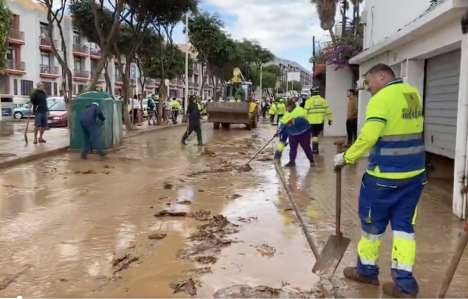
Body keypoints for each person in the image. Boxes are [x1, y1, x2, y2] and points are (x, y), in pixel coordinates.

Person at [333, 63, 425, 298]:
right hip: (414, 176)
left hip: (384, 176)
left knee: (372, 226)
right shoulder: (412, 94)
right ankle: (405, 285)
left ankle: (367, 271)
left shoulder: (382, 99)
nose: (368, 86)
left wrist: (346, 157)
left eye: (369, 81)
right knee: (404, 229)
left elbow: (368, 136)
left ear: (382, 76)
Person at [274, 99, 315, 167]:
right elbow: (283, 122)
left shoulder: (299, 110)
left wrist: (289, 122)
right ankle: (292, 161)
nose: (287, 107)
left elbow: (300, 119)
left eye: (288, 106)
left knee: (306, 147)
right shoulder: (287, 113)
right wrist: (278, 131)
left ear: (292, 105)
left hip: (304, 132)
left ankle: (311, 160)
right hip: (293, 133)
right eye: (286, 106)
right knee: (293, 148)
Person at [304, 86, 333, 154]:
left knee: (314, 135)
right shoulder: (323, 101)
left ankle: (315, 148)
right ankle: (316, 147)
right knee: (317, 134)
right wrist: (330, 119)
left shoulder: (309, 101)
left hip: (311, 121)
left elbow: (305, 112)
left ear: (311, 93)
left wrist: (304, 120)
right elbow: (327, 111)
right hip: (320, 121)